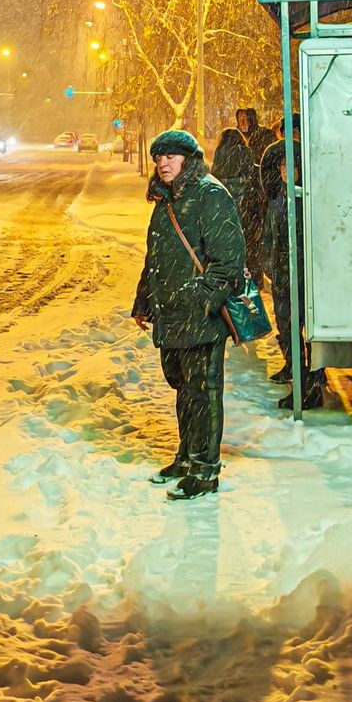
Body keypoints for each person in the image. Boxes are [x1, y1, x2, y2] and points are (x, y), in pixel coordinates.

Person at [132, 128, 246, 500]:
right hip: (171, 314)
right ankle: (186, 456)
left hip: (200, 316)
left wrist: (198, 298)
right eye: (159, 158)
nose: (163, 163)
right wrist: (144, 301)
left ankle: (205, 470)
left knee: (204, 392)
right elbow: (156, 258)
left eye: (171, 157)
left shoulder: (210, 196)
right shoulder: (166, 200)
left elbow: (227, 263)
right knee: (183, 389)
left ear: (188, 160)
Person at [261, 136, 324, 410]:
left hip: (302, 278)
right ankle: (297, 374)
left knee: (304, 330)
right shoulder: (277, 201)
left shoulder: (305, 201)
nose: (285, 171)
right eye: (282, 166)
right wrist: (269, 266)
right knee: (286, 330)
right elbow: (267, 239)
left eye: (291, 166)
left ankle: (309, 384)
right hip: (283, 279)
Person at [211, 127, 265, 290]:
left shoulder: (217, 173)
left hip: (226, 229)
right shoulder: (253, 169)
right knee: (251, 267)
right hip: (250, 225)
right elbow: (261, 200)